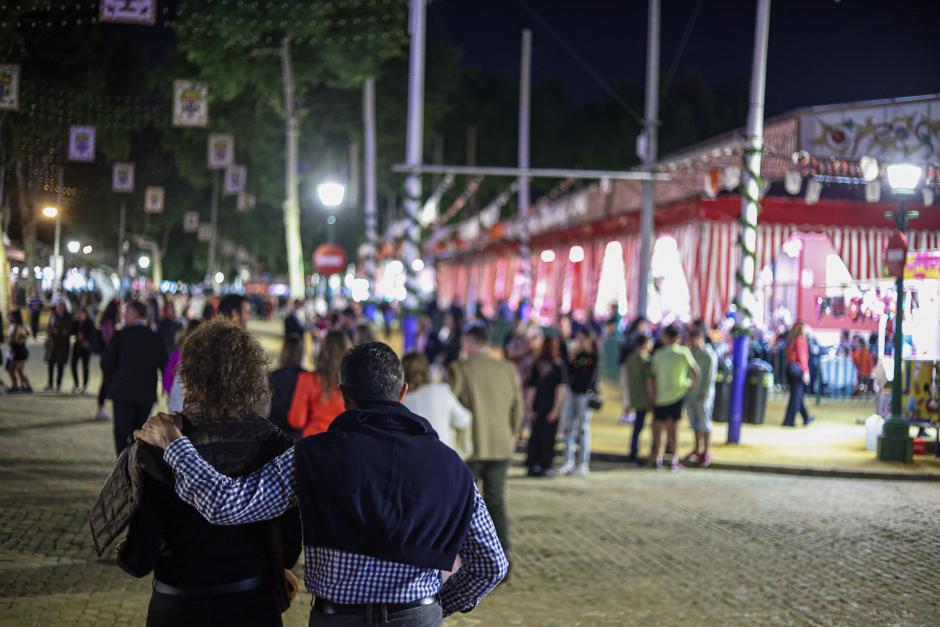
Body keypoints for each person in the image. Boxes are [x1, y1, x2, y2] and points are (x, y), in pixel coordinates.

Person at [136, 341, 508, 625]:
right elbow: (491, 564)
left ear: (344, 397)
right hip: (417, 617)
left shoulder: (311, 456)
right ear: (402, 394)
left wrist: (174, 444)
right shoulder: (452, 467)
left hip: (338, 618)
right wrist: (441, 605)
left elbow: (225, 505)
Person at [92, 319, 302, 627]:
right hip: (252, 606)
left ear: (189, 375)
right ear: (251, 377)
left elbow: (140, 559)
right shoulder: (274, 443)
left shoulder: (160, 443)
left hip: (178, 607)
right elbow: (290, 549)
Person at [449, 323, 524, 559]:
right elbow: (518, 406)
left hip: (472, 446)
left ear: (469, 343)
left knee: (465, 504)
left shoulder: (460, 368)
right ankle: (503, 552)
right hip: (501, 445)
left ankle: (465, 554)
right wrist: (511, 431)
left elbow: (453, 404)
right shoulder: (508, 369)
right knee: (496, 500)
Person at [103, 300, 169, 455]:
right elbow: (165, 365)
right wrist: (165, 388)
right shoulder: (155, 338)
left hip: (122, 391)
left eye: (127, 312)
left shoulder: (121, 335)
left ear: (136, 314)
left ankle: (121, 463)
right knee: (139, 432)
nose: (124, 315)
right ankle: (135, 465)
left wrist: (111, 381)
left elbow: (106, 362)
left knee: (121, 432)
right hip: (145, 392)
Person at [402, 351, 473, 455]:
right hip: (443, 458)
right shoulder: (442, 391)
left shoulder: (401, 400)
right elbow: (464, 419)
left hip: (413, 459)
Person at [649, 325, 699, 471]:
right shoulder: (684, 352)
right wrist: (690, 385)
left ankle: (656, 458)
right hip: (678, 395)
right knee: (674, 430)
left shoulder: (658, 354)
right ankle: (673, 460)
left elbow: (652, 376)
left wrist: (652, 396)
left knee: (658, 429)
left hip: (660, 396)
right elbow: (696, 370)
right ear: (678, 338)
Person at [287, 329, 351, 437]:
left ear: (322, 351)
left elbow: (297, 421)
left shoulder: (307, 379)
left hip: (313, 443)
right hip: (343, 445)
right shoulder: (353, 383)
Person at [524, 334, 569, 478]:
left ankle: (533, 464)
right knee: (548, 437)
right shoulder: (558, 366)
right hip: (549, 405)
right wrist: (556, 409)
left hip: (538, 405)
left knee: (536, 435)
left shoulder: (538, 364)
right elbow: (560, 390)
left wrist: (529, 406)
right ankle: (544, 465)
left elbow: (532, 388)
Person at [558, 329, 599, 476]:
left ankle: (583, 463)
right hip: (573, 393)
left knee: (583, 429)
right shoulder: (576, 355)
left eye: (582, 339)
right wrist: (572, 356)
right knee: (569, 427)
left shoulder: (594, 356)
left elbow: (590, 377)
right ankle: (568, 461)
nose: (579, 342)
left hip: (585, 396)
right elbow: (568, 373)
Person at [684, 328, 717, 468]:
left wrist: (703, 391)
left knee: (704, 422)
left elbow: (710, 377)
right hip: (691, 393)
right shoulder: (690, 353)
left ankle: (706, 451)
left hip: (703, 394)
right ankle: (697, 448)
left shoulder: (708, 355)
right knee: (695, 423)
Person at [268, 333, 306, 440]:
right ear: (301, 353)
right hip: (299, 434)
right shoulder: (308, 378)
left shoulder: (272, 376)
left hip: (275, 432)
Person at [625, 335, 654, 465]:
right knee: (645, 426)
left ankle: (632, 452)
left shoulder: (630, 358)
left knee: (637, 426)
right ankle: (639, 453)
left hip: (634, 397)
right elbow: (649, 382)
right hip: (645, 398)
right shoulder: (646, 360)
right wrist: (652, 398)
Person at [782, 321, 815, 427]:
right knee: (796, 397)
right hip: (798, 370)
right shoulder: (801, 339)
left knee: (797, 396)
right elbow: (802, 357)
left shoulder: (791, 338)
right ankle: (789, 421)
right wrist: (806, 371)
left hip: (790, 369)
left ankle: (806, 418)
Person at [618, 316, 649, 424]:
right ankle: (626, 414)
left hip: (627, 366)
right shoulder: (634, 336)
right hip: (628, 367)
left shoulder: (630, 334)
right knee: (628, 390)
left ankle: (627, 413)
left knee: (628, 390)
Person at [96, 300, 120, 420]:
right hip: (108, 358)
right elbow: (109, 341)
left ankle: (101, 409)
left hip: (106, 357)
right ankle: (100, 410)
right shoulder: (109, 323)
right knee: (107, 383)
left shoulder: (107, 321)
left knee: (107, 383)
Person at [44, 300, 72, 392]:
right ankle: (50, 383)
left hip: (62, 345)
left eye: (61, 307)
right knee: (50, 364)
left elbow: (68, 331)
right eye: (58, 307)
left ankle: (58, 385)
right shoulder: (54, 317)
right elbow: (50, 327)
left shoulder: (68, 318)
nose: (59, 309)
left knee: (60, 365)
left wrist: (58, 331)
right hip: (53, 345)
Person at [70, 306, 96, 394]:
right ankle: (76, 384)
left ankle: (85, 387)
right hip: (77, 346)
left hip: (86, 348)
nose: (79, 315)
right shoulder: (76, 322)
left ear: (85, 314)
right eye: (78, 313)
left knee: (85, 367)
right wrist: (74, 321)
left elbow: (93, 335)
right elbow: (72, 331)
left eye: (81, 313)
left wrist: (85, 337)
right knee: (73, 365)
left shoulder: (90, 322)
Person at [7, 310, 33, 393]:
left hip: (19, 351)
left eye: (11, 316)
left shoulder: (18, 327)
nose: (9, 318)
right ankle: (26, 386)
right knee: (18, 371)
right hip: (19, 351)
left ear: (15, 318)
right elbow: (28, 334)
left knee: (13, 370)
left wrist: (12, 340)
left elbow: (19, 341)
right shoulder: (17, 326)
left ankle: (16, 386)